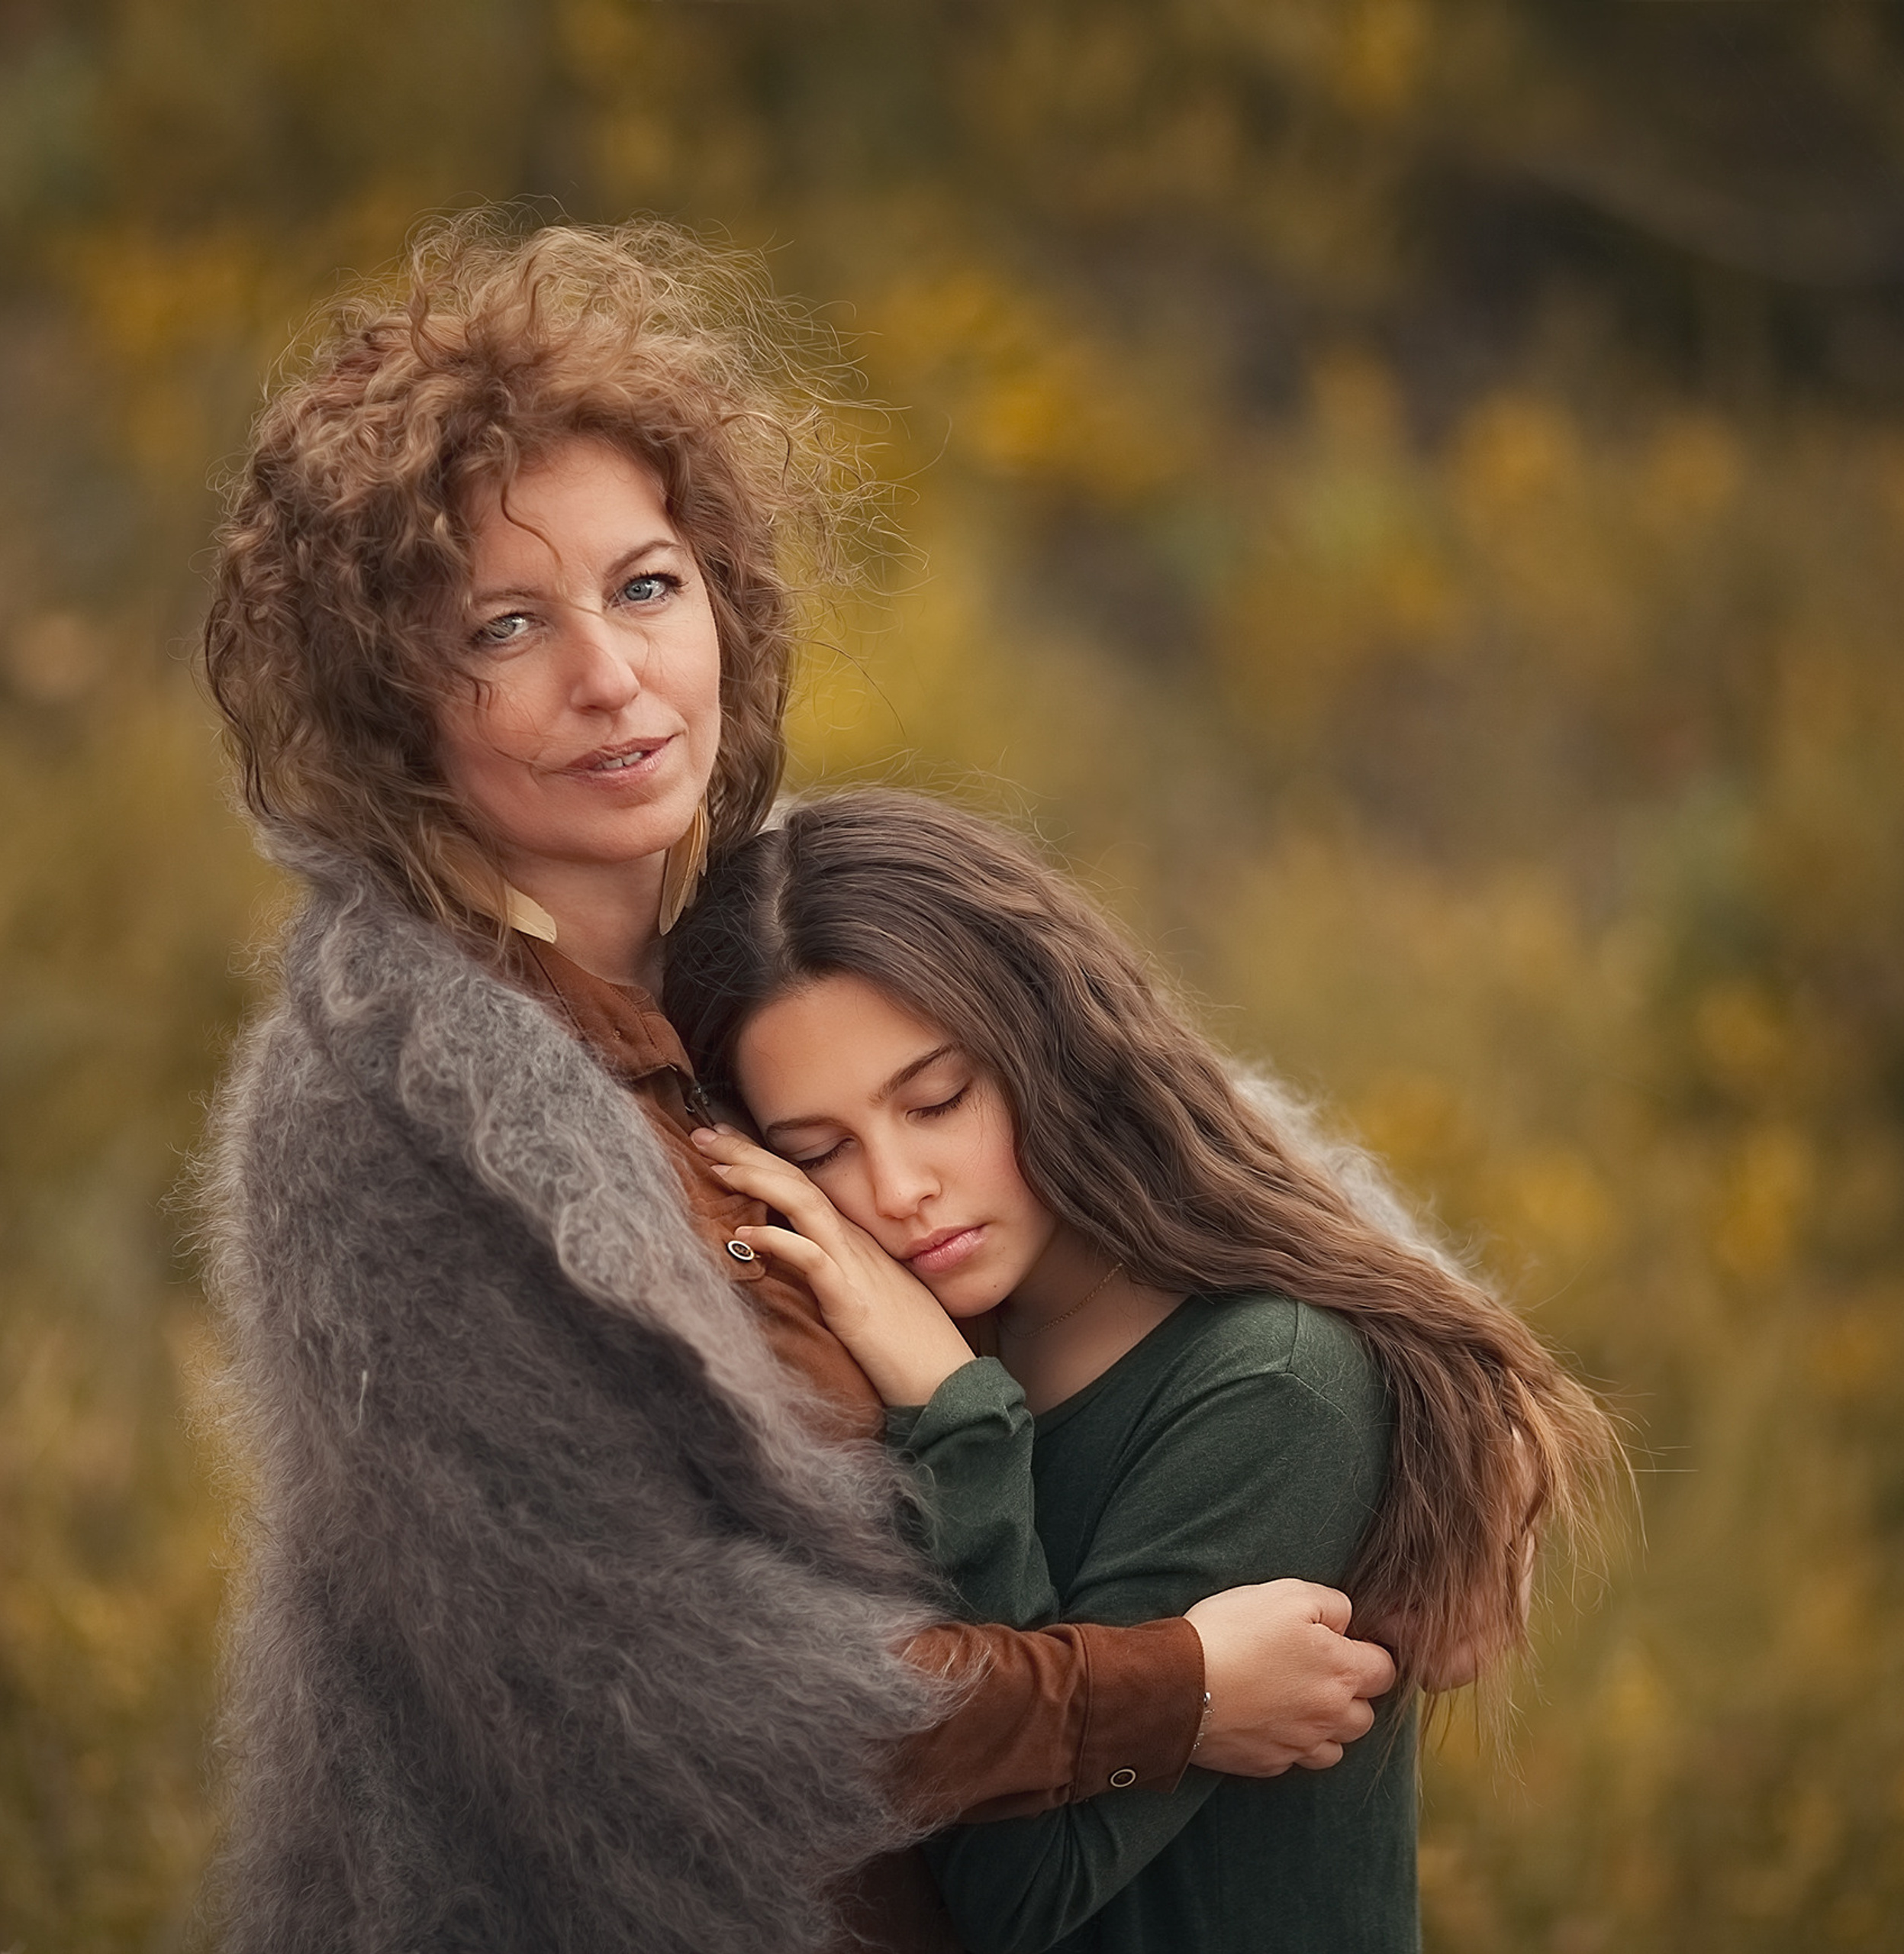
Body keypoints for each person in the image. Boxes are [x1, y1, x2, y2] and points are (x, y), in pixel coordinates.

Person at [195, 216, 1400, 1954]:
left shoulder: (767, 946)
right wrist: (1161, 1687)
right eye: (503, 626)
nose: (608, 676)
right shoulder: (370, 1112)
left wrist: (1368, 1384)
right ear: (390, 698)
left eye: (643, 585)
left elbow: (1167, 1161)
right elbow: (640, 1667)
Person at [665, 790, 1622, 1954]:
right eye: (820, 1154)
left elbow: (1021, 1896)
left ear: (1048, 1054)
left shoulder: (1269, 1383)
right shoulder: (933, 1335)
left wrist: (962, 1423)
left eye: (937, 1102)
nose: (897, 1188)